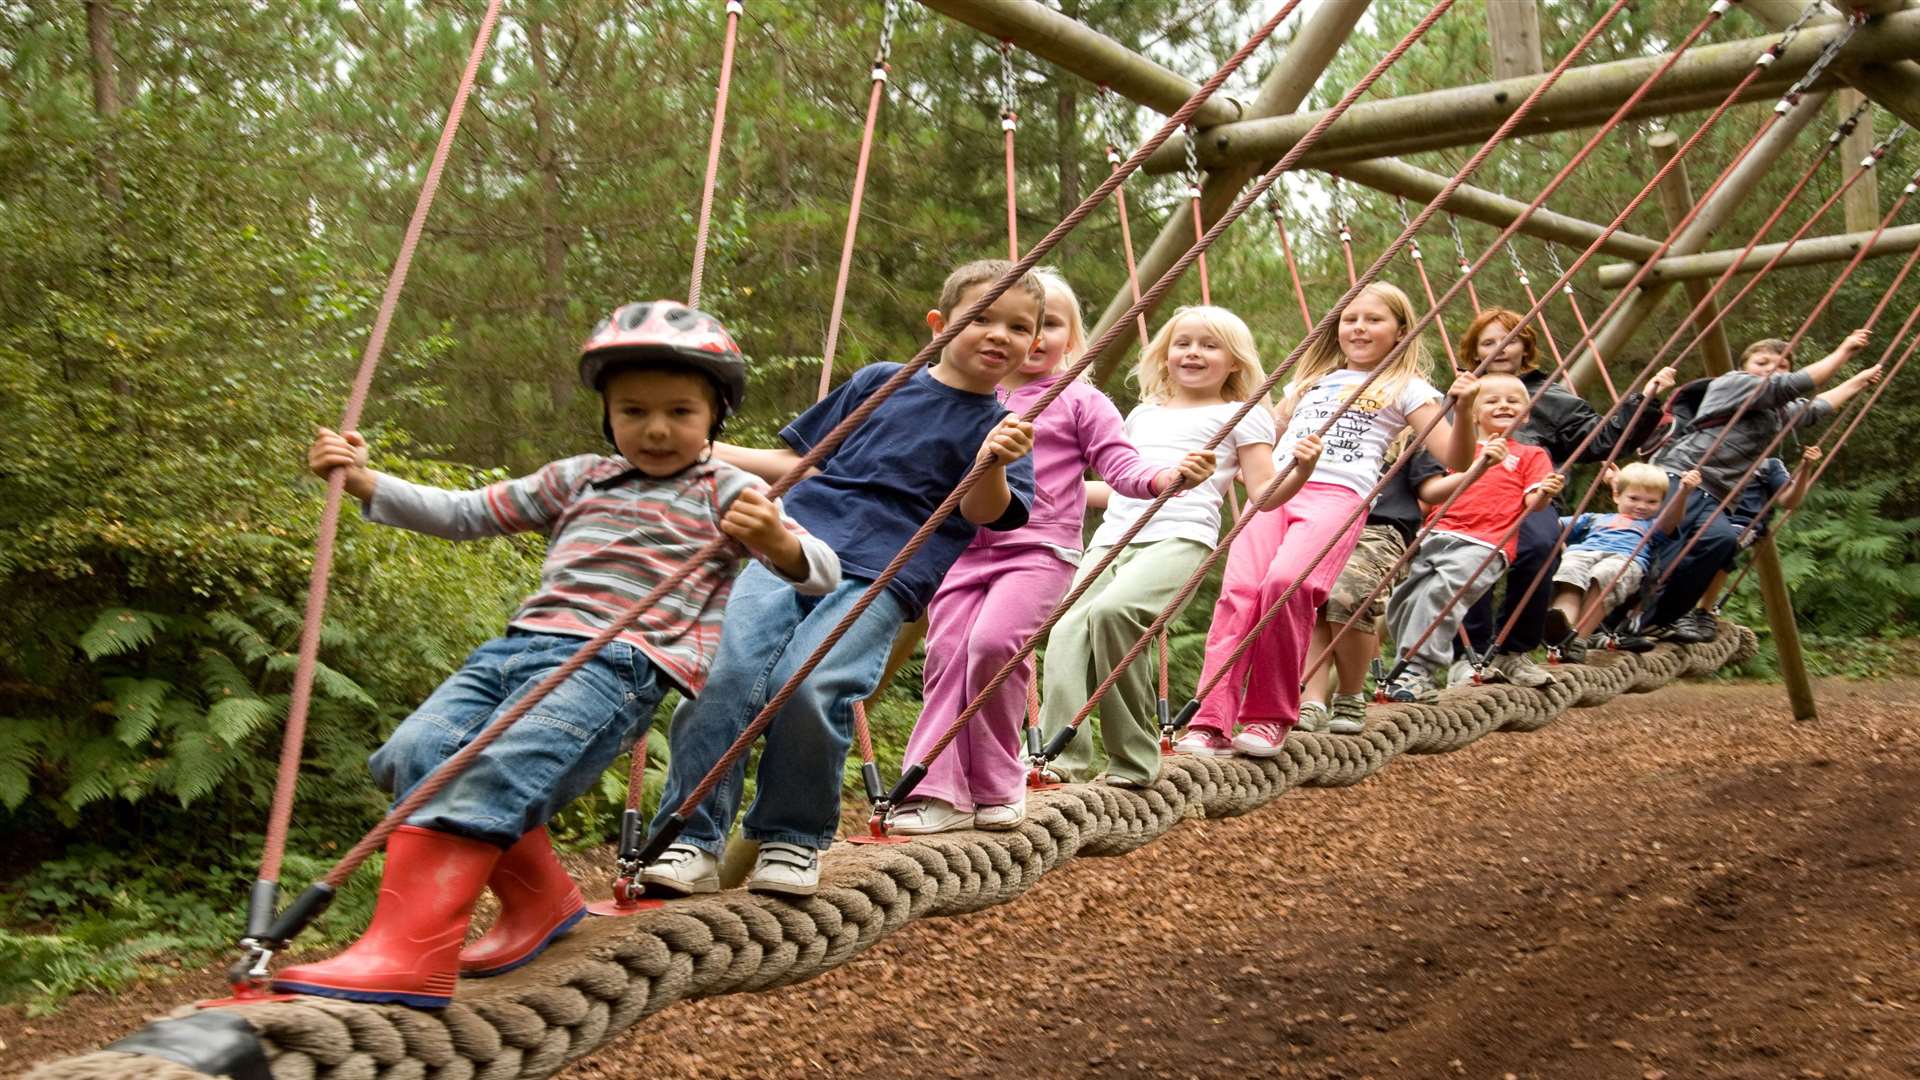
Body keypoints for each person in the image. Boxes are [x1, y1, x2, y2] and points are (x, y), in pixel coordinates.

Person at [273, 302, 839, 1007]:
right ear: (607, 415)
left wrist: (780, 543)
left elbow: (821, 573)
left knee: (492, 773)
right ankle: (541, 902)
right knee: (415, 753)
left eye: (680, 412)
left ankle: (410, 952)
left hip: (617, 663)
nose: (656, 429)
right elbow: (464, 512)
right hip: (517, 648)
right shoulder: (576, 478)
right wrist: (367, 483)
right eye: (633, 411)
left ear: (713, 419)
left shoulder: (730, 490)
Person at [642, 259, 1038, 898]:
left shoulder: (1009, 428)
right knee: (725, 675)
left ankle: (792, 839)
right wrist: (701, 452)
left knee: (812, 685)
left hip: (888, 571)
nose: (999, 335)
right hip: (789, 543)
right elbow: (798, 463)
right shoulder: (883, 382)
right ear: (939, 324)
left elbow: (985, 513)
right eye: (981, 317)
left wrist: (991, 461)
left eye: (1020, 327)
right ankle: (690, 838)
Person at [888, 272, 1213, 833]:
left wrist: (1166, 477)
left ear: (1069, 338)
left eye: (1044, 326)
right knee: (946, 658)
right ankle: (937, 790)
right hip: (960, 551)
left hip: (1039, 550)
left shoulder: (1080, 400)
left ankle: (996, 782)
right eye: (1010, 325)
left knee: (992, 647)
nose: (1030, 339)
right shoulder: (966, 396)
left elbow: (1121, 468)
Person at [1177, 281, 1477, 757]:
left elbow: (1454, 456)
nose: (1358, 327)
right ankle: (1210, 721)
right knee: (1239, 594)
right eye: (1350, 318)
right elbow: (1260, 440)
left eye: (1374, 319)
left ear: (1400, 331)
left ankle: (1269, 715)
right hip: (1275, 491)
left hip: (1337, 495)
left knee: (1286, 585)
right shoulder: (1308, 382)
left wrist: (1465, 411)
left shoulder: (1409, 387)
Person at [1033, 305, 1283, 787]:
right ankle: (1060, 758)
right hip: (1114, 536)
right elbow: (1125, 483)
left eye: (1210, 346)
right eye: (1182, 342)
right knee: (1066, 629)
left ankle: (1134, 759)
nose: (1193, 353)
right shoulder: (1143, 414)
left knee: (1113, 614)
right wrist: (1057, 489)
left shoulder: (1241, 416)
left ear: (1234, 362)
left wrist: (1303, 471)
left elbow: (1263, 494)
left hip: (1180, 536)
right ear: (1165, 354)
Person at [1450, 308, 1676, 687]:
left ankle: (1513, 652)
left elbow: (1601, 438)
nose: (1499, 348)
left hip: (1531, 489)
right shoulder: (1461, 394)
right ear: (1474, 352)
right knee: (1469, 554)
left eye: (1509, 340)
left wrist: (1646, 400)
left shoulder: (1551, 398)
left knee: (1542, 545)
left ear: (1526, 347)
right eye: (1488, 342)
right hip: (1473, 488)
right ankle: (1468, 656)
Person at [1645, 332, 1880, 642]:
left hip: (1718, 494)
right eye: (1762, 362)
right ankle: (1624, 612)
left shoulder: (1777, 411)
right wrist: (1844, 350)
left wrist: (1859, 381)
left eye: (1782, 365)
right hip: (1683, 474)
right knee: (1665, 544)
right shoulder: (1734, 383)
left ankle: (1666, 619)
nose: (1772, 368)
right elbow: (1797, 384)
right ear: (1745, 366)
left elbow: (1816, 407)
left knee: (1722, 540)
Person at [1382, 372, 1565, 703]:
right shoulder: (1455, 450)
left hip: (1486, 543)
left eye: (1513, 401)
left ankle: (1419, 669)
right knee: (1405, 600)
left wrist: (1546, 493)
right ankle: (1406, 668)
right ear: (1474, 411)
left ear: (1526, 413)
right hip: (1437, 533)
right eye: (1492, 400)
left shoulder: (1530, 455)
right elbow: (1431, 494)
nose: (1504, 405)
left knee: (1442, 596)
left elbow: (1532, 504)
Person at [1297, 435, 1446, 735]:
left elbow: (1430, 490)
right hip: (1323, 520)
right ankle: (1311, 701)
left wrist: (1475, 470)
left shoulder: (1409, 434)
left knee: (1348, 597)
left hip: (1379, 527)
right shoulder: (1325, 421)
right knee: (1309, 602)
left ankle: (1349, 696)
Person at [1542, 463, 1699, 657]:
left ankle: (1578, 640)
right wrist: (1542, 500)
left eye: (1652, 502)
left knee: (1605, 574)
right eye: (1633, 498)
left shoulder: (1653, 527)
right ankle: (1560, 626)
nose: (1641, 506)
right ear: (1616, 496)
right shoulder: (1593, 519)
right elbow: (1553, 525)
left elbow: (1672, 520)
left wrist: (1683, 492)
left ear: (1661, 505)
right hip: (1584, 552)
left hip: (1625, 559)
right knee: (1571, 570)